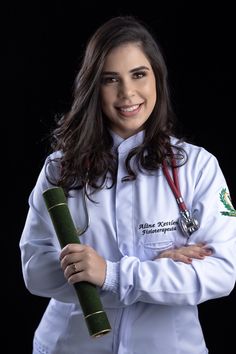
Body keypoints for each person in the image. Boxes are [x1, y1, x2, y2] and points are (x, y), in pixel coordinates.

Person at [19, 15, 236, 354]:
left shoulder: (198, 166)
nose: (127, 93)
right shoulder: (58, 169)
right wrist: (156, 267)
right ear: (94, 86)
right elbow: (35, 271)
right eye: (110, 79)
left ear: (157, 79)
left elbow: (221, 273)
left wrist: (111, 274)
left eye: (138, 74)